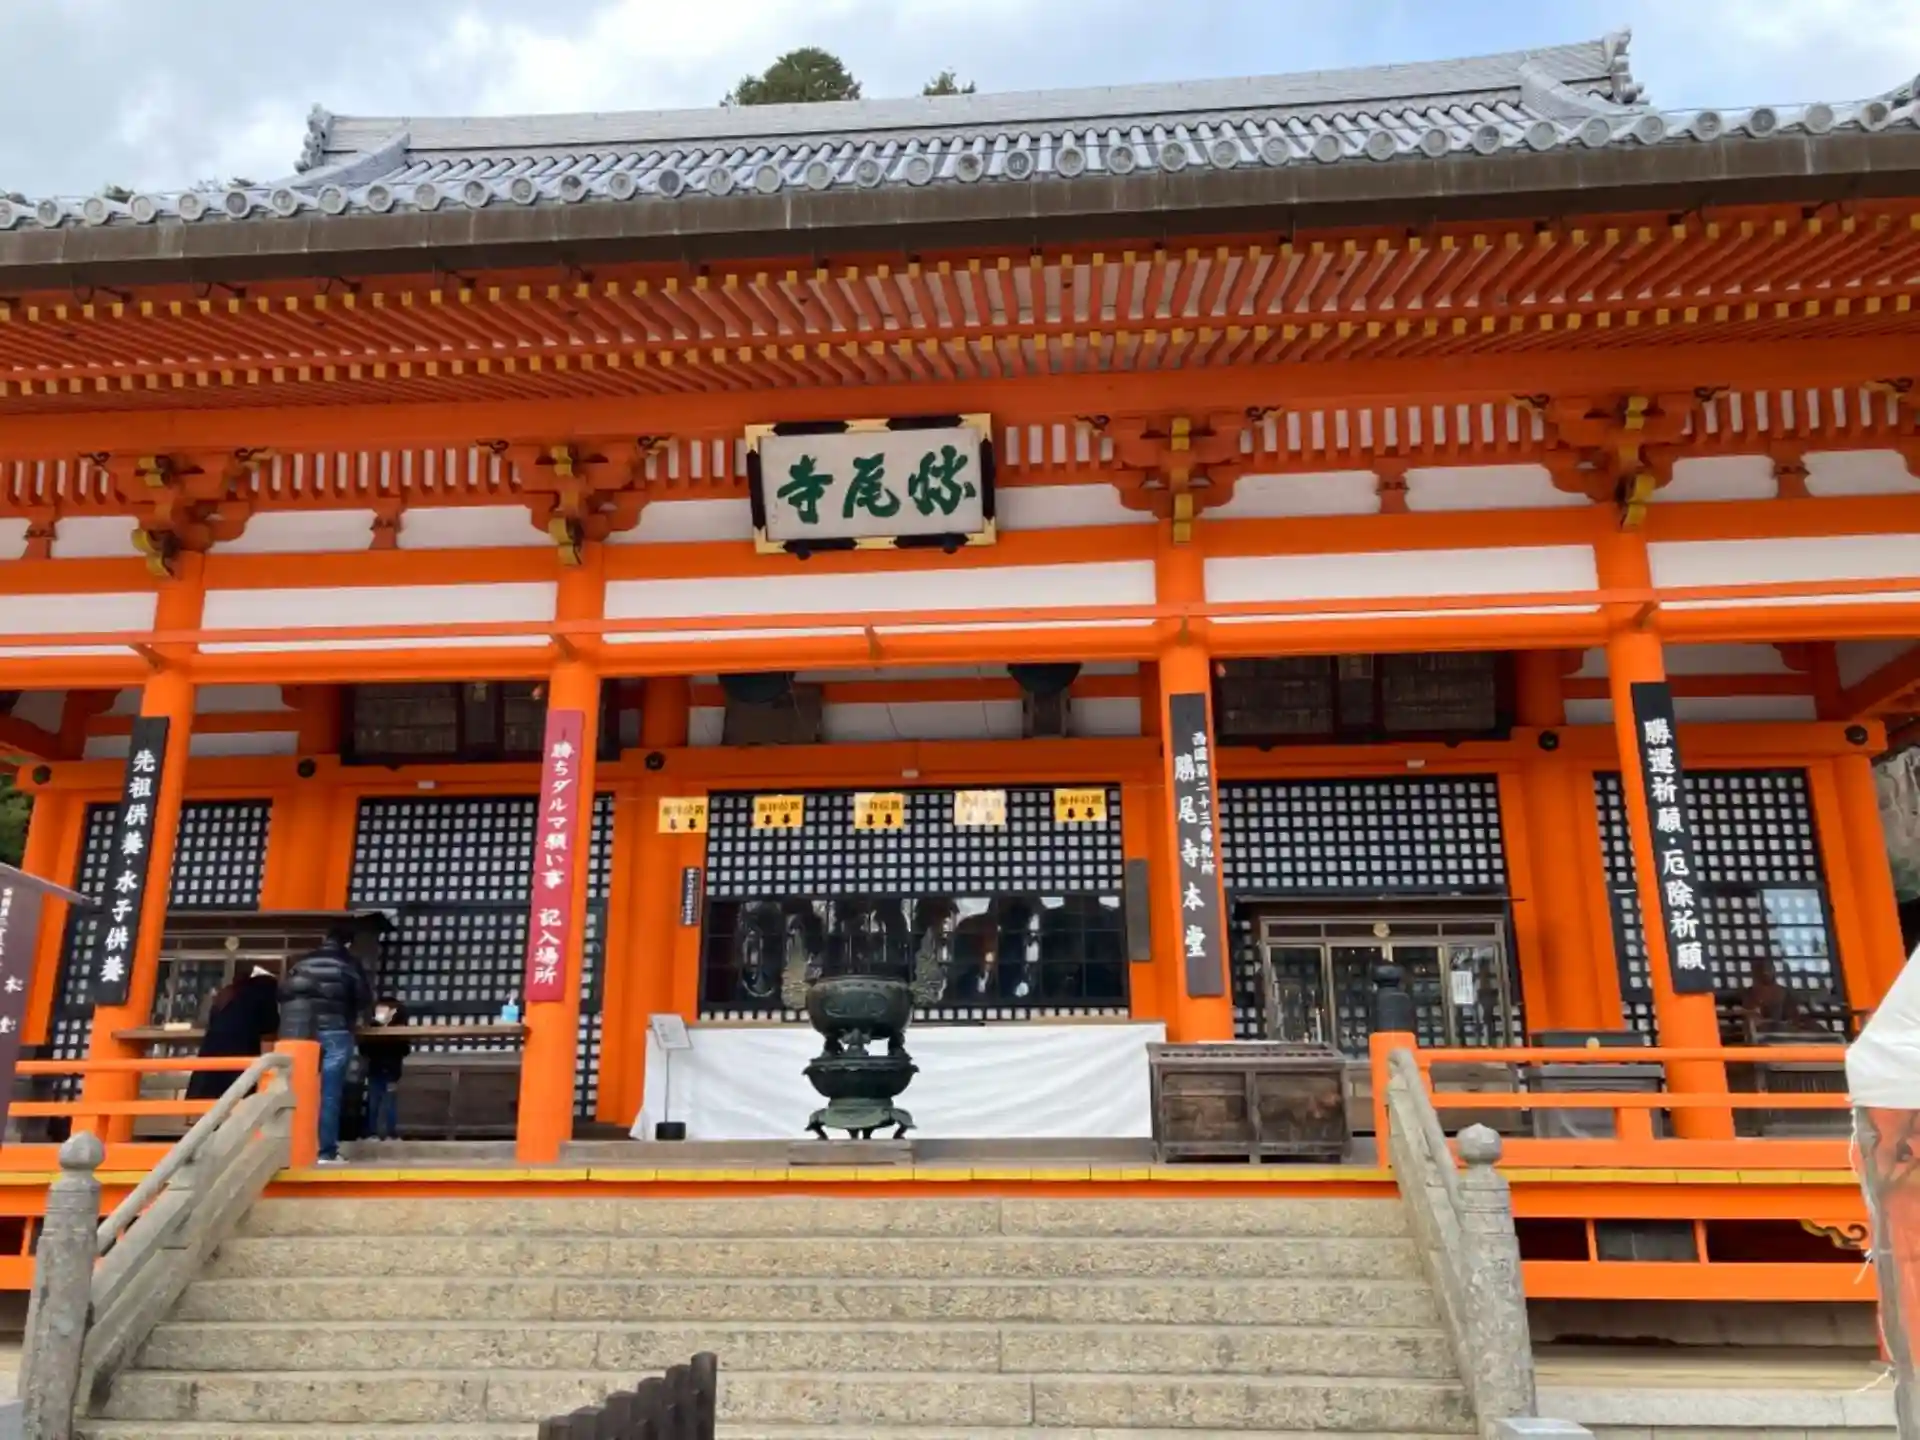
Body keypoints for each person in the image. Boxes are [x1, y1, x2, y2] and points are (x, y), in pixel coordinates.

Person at [281, 927, 371, 1165]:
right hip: (336, 1029)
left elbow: (285, 993)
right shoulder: (349, 963)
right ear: (348, 943)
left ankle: (294, 1147)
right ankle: (325, 1152)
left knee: (300, 1089)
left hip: (301, 1031)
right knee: (329, 1093)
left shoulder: (302, 962)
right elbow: (363, 998)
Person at [186, 965, 282, 1103]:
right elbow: (268, 1039)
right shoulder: (265, 994)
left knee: (207, 1097)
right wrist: (269, 1071)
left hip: (210, 1060)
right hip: (240, 1060)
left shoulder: (227, 995)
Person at [359, 995, 411, 1142]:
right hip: (374, 1070)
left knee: (389, 1103)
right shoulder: (371, 1028)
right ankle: (371, 1133)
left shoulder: (400, 1029)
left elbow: (405, 1050)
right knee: (373, 1103)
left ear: (393, 1012)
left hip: (392, 1071)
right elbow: (364, 1049)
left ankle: (390, 1133)